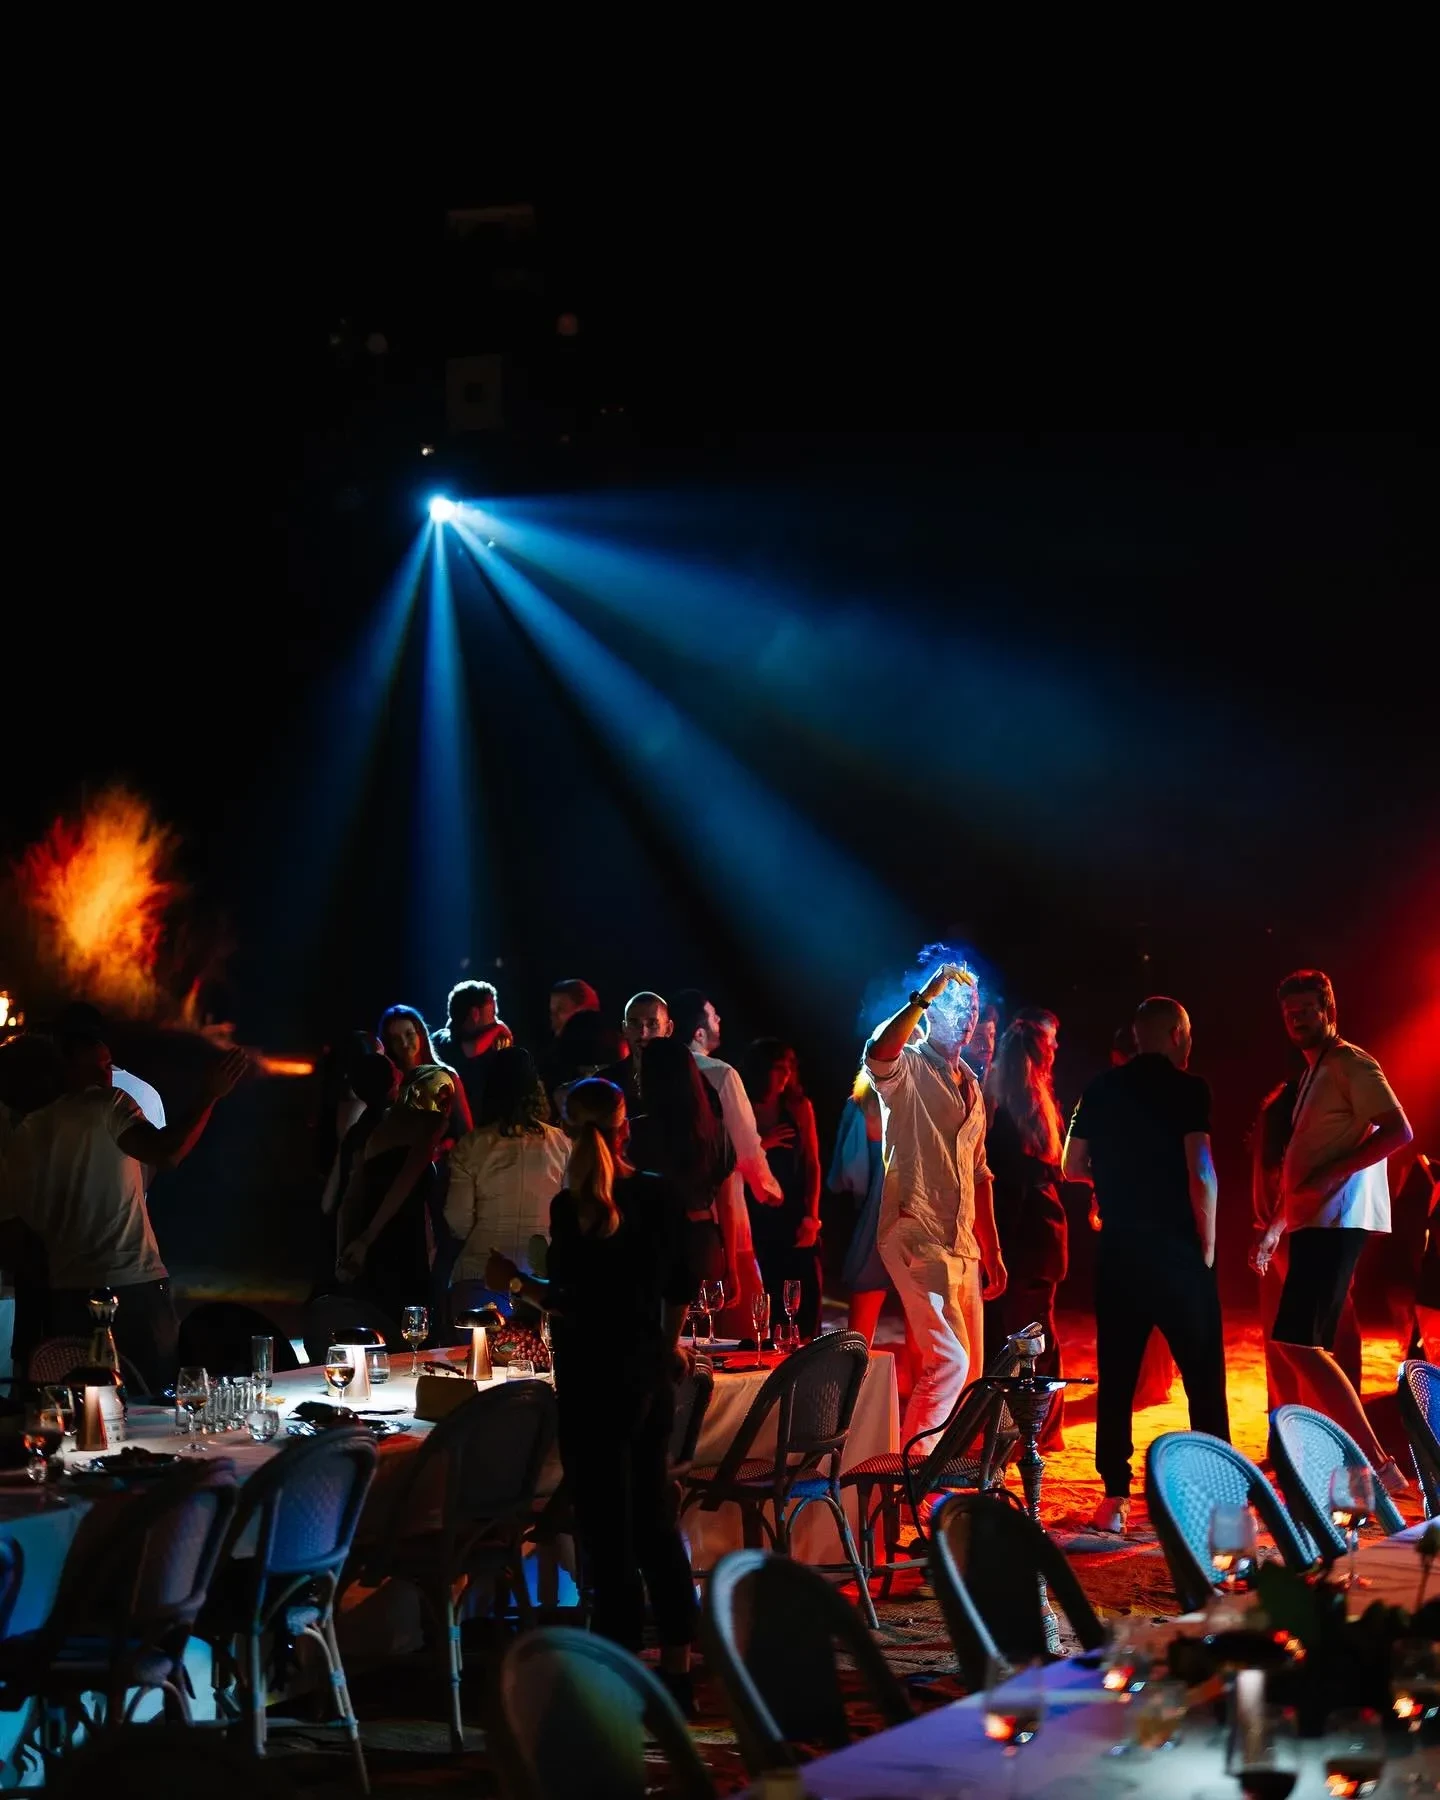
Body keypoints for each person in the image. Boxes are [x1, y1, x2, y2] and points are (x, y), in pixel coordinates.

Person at [483, 1079, 697, 1712]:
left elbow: (571, 1302)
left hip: (591, 1382)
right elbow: (679, 1286)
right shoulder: (658, 1195)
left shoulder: (570, 1208)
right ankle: (678, 1670)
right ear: (625, 1126)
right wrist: (667, 1345)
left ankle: (620, 1669)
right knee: (654, 1521)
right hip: (645, 1377)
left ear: (569, 1132)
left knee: (607, 1532)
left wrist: (515, 1283)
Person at [5, 1018, 248, 1394]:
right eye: (98, 1066)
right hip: (131, 1284)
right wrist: (209, 1095)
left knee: (83, 1404)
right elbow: (167, 1153)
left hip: (66, 1293)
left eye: (108, 1065)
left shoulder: (21, 1137)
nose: (107, 1076)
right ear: (64, 1070)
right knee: (154, 1397)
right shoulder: (109, 1104)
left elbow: (19, 1230)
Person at [1063, 995, 1229, 1536]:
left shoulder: (1100, 1088)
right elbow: (1201, 1171)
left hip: (1119, 1250)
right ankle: (1217, 1495)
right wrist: (1207, 1246)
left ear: (1137, 1036)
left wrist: (1114, 1181)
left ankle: (1114, 1496)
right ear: (1178, 1034)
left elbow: (1071, 1164)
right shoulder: (1189, 1088)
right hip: (1176, 1248)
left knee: (1116, 1374)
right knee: (1203, 1375)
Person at [1251, 970, 1414, 1495]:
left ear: (1329, 1010)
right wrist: (1275, 1228)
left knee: (1301, 1343)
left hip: (1337, 1219)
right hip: (1315, 1221)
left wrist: (1332, 1175)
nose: (1297, 1019)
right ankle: (1360, 1462)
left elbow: (1399, 1130)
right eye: (1289, 1013)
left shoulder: (1350, 1062)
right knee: (1301, 1344)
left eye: (1306, 1009)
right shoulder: (1313, 1073)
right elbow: (1304, 1167)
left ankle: (1377, 1465)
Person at [865, 962, 1007, 1451]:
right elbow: (878, 1054)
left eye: (973, 1008)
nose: (968, 1018)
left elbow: (980, 1172)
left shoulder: (971, 1084)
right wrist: (926, 993)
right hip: (915, 1230)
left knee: (970, 1372)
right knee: (948, 1362)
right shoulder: (908, 1066)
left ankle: (934, 1468)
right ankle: (911, 1472)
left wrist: (993, 1249)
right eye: (957, 1006)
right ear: (931, 1011)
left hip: (961, 1241)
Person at [670, 988, 779, 1331]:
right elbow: (744, 1144)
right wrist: (768, 1188)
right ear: (699, 1032)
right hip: (721, 1218)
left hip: (669, 1215)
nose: (719, 1020)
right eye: (713, 1016)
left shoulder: (657, 1072)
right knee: (742, 1324)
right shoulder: (720, 1073)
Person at [983, 1017, 1068, 1449]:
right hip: (1037, 1233)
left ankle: (1039, 1430)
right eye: (1051, 1044)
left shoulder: (1007, 1107)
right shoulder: (1034, 1106)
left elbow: (1008, 1183)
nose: (1057, 1050)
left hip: (1024, 1235)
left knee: (1025, 1336)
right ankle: (1040, 1429)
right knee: (1034, 1335)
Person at [445, 1047, 569, 1309]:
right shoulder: (563, 1144)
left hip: (481, 1275)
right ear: (536, 1090)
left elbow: (458, 1221)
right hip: (540, 1284)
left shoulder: (470, 1146)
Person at [337, 1064, 454, 1325]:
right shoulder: (430, 1123)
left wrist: (345, 1250)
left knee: (378, 1323)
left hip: (372, 1242)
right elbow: (408, 1177)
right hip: (403, 1241)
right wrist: (366, 1238)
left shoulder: (378, 1129)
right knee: (411, 1325)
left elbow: (350, 1199)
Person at [626, 1035, 732, 1286]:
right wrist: (732, 1265)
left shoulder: (636, 1132)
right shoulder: (713, 1129)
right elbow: (726, 1202)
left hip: (655, 1242)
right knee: (705, 1310)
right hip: (703, 1239)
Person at [742, 1039, 824, 1337]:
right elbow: (733, 1161)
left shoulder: (799, 1107)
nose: (785, 1075)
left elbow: (813, 1165)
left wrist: (812, 1217)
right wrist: (763, 1144)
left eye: (788, 1068)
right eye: (778, 1068)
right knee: (767, 1293)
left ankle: (805, 1353)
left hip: (794, 1212)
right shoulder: (743, 1106)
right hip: (756, 1213)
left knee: (805, 1293)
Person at [377, 1005, 473, 1148]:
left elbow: (467, 1133)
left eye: (409, 1034)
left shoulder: (448, 1076)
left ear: (420, 1034)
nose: (404, 1043)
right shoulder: (388, 1084)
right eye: (395, 1039)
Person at [432, 981, 513, 1121]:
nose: (495, 1020)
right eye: (493, 1014)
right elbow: (470, 1050)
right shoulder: (443, 1043)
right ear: (475, 1014)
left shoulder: (437, 1039)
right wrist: (499, 1028)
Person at [963, 1004, 1000, 1085]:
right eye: (979, 1038)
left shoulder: (1001, 1078)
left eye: (991, 1035)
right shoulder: (955, 1076)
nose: (989, 1045)